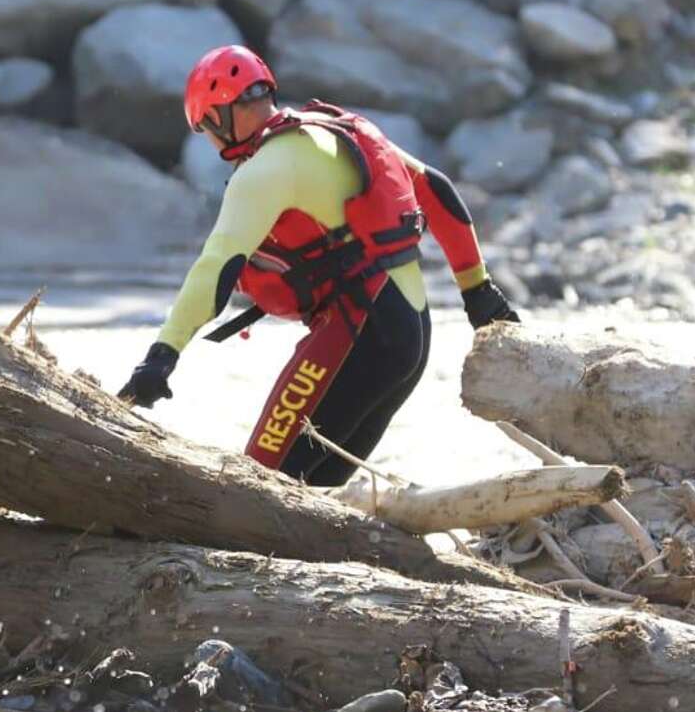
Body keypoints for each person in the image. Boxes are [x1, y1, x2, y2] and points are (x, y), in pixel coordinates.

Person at [118, 44, 519, 487]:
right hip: (413, 335)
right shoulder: (334, 129)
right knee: (315, 494)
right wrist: (477, 291)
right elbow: (436, 189)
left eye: (205, 129)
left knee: (260, 484)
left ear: (220, 115)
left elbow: (215, 269)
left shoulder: (263, 172)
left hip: (359, 334)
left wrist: (162, 355)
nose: (211, 143)